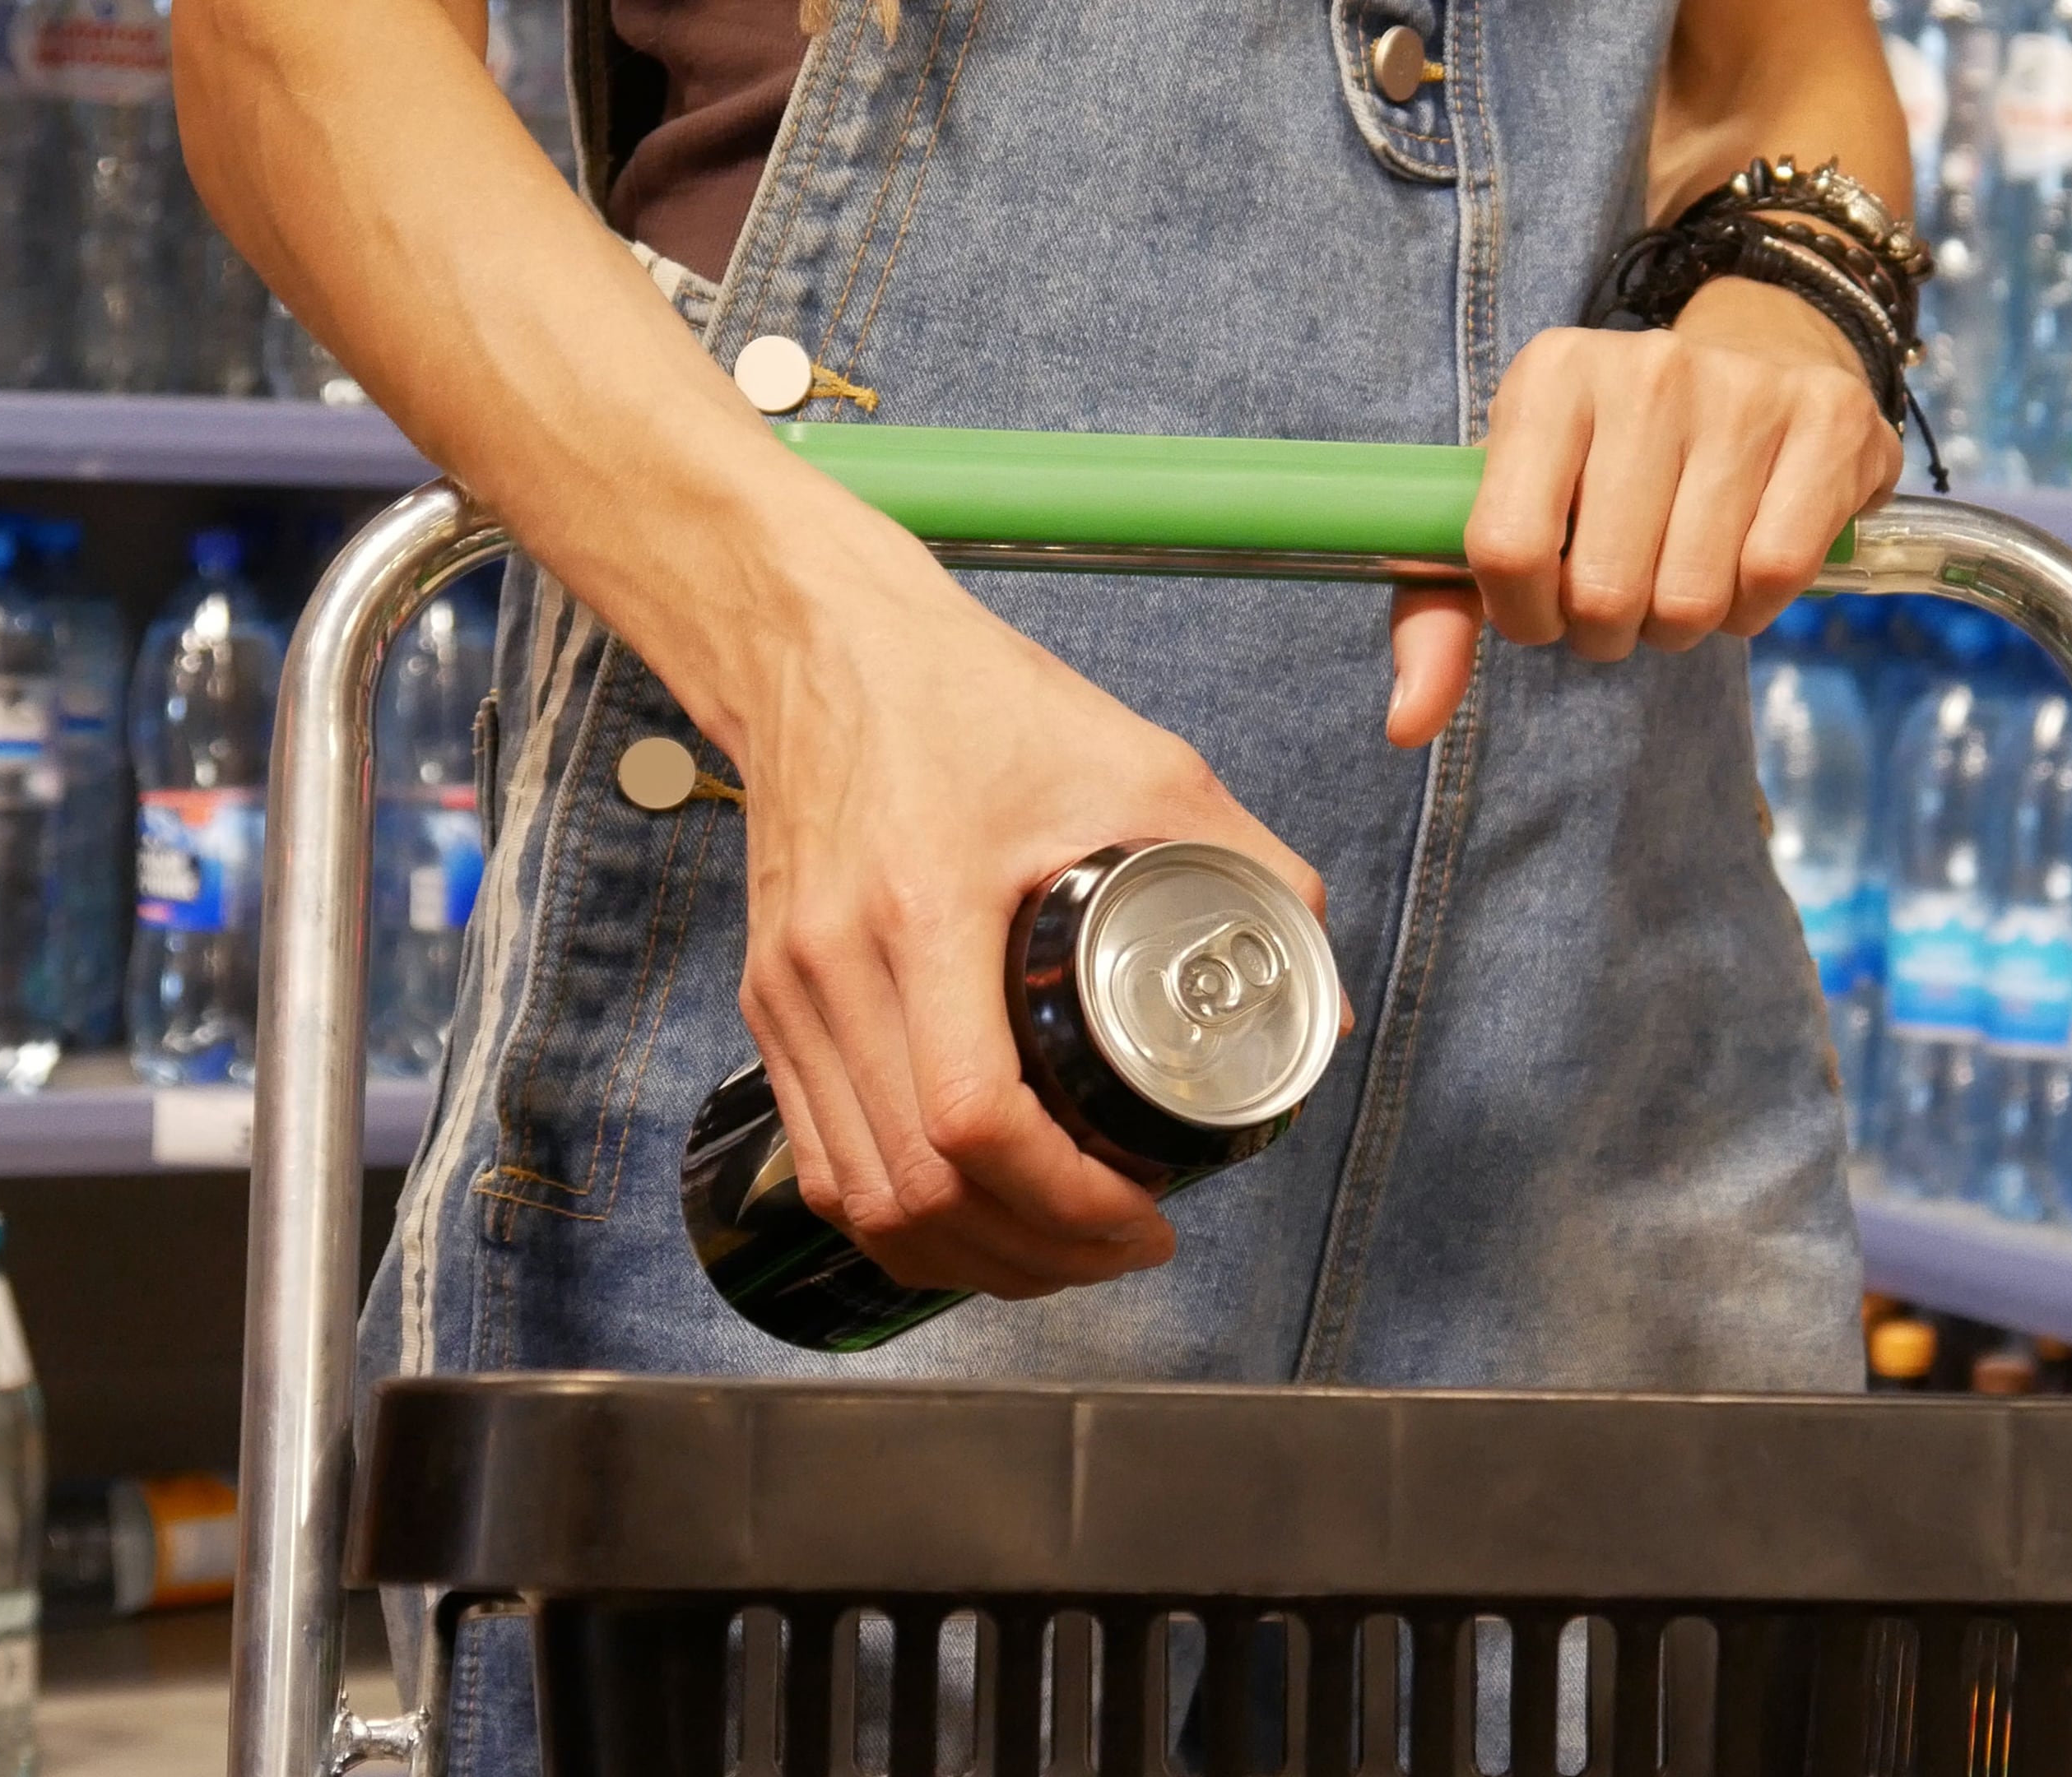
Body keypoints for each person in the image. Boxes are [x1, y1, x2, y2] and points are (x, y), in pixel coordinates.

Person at [179, 0, 1912, 1755]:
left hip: (1603, 1013)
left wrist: (1790, 302)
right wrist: (816, 655)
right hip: (903, 901)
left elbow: (1766, 75)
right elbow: (288, 55)